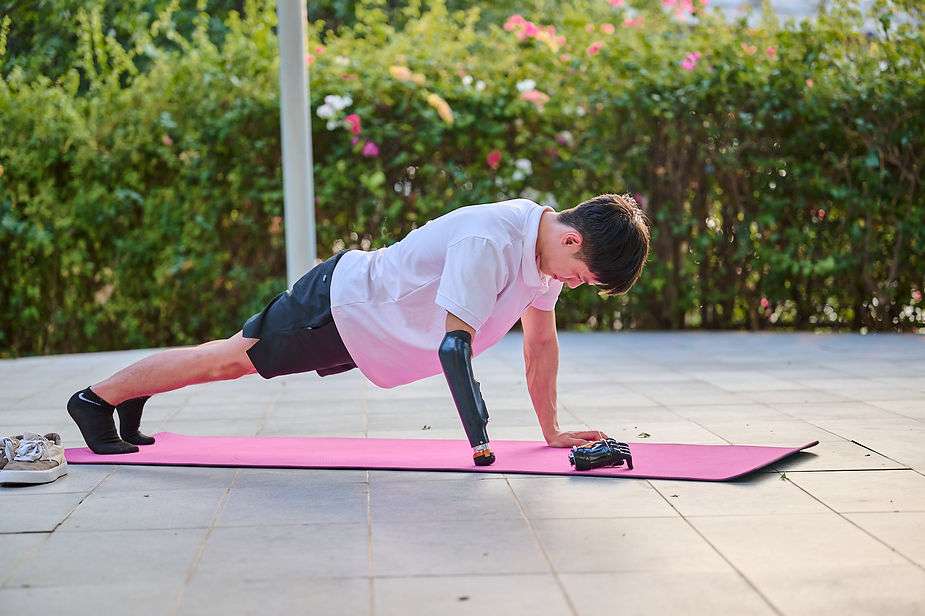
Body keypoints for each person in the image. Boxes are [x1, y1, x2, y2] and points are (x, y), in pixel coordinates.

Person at [67, 194, 650, 463]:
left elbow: (541, 344)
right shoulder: (492, 239)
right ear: (572, 239)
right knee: (231, 359)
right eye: (583, 276)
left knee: (231, 358)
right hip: (343, 305)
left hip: (366, 330)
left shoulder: (544, 258)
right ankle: (96, 400)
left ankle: (128, 396)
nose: (575, 285)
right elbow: (455, 347)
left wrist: (551, 431)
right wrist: (480, 442)